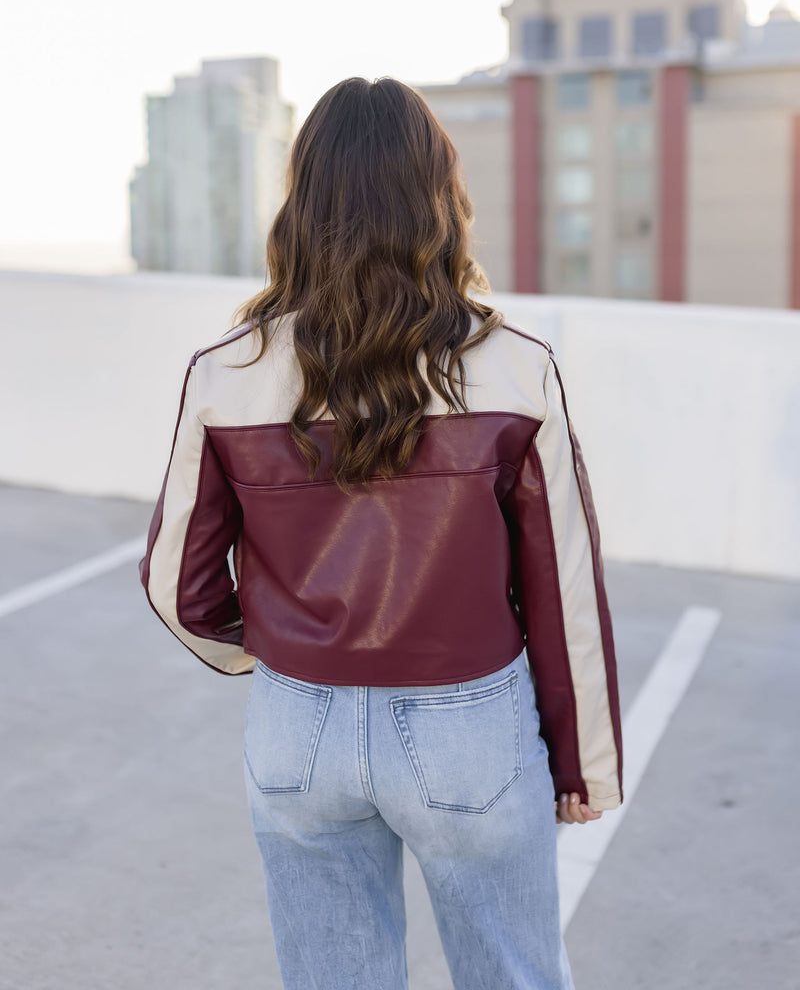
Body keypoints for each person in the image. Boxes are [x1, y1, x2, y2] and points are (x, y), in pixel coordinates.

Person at [139, 75, 623, 990]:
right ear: (439, 196)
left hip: (295, 727)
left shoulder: (225, 372)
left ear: (303, 200)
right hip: (467, 728)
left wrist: (277, 656)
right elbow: (563, 592)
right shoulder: (517, 369)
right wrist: (583, 762)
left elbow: (178, 590)